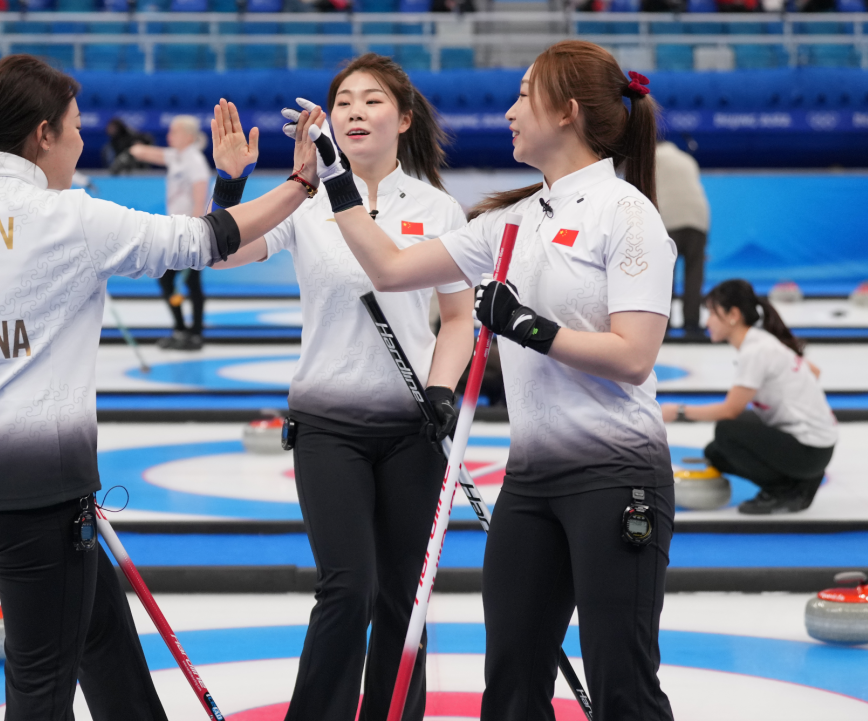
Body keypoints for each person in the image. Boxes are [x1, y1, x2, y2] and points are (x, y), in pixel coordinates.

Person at [0, 54, 321, 720]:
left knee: (102, 636)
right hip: (38, 500)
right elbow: (204, 242)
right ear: (42, 135)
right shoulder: (70, 218)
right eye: (73, 127)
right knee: (41, 689)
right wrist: (300, 182)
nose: (80, 141)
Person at [306, 40, 678, 721]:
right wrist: (335, 178)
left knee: (622, 682)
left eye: (523, 95)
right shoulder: (511, 220)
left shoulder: (627, 215)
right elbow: (390, 268)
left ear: (566, 111)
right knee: (510, 683)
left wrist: (529, 327)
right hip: (530, 483)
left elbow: (634, 356)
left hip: (616, 474)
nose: (508, 111)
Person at [212, 54, 476, 721]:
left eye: (372, 100)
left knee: (404, 599)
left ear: (404, 119)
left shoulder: (440, 208)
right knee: (348, 588)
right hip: (327, 425)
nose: (355, 112)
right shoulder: (303, 200)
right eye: (344, 102)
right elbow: (224, 251)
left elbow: (457, 319)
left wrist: (442, 392)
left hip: (415, 428)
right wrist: (230, 184)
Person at [661, 279, 838, 514]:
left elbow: (729, 410)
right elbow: (813, 371)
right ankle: (802, 481)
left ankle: (786, 490)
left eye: (712, 313)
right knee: (716, 453)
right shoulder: (762, 341)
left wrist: (678, 412)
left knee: (727, 431)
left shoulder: (755, 351)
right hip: (818, 445)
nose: (707, 322)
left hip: (811, 451)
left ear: (733, 315)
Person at [130, 116, 211, 350]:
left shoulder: (195, 161)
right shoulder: (177, 156)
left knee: (190, 282)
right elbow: (147, 153)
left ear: (188, 136)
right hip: (175, 231)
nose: (169, 135)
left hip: (189, 233)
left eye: (174, 131)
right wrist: (131, 146)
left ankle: (194, 334)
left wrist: (196, 235)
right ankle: (183, 330)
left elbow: (200, 199)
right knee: (170, 280)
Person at [655, 139, 709, 341]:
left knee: (665, 274)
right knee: (694, 274)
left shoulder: (653, 157)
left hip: (669, 219)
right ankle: (692, 324)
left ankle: (663, 325)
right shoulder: (687, 159)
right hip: (699, 218)